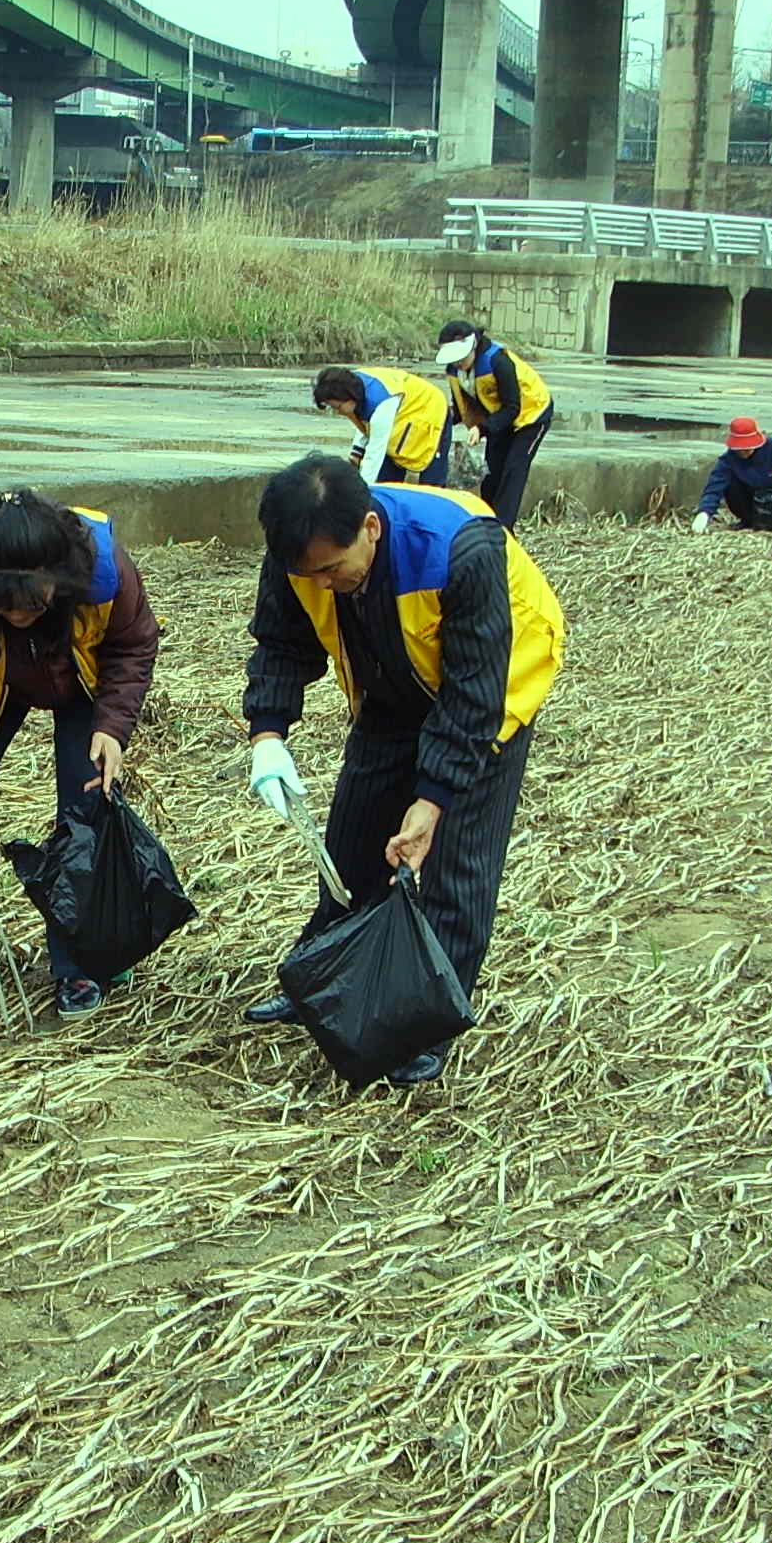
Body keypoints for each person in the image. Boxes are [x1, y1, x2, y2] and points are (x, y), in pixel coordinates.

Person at [243, 460, 564, 1086]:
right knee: (354, 840)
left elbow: (474, 691)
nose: (325, 584)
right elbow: (282, 644)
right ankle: (327, 983)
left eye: (334, 568)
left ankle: (424, 1021)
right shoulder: (299, 552)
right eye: (312, 574)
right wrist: (268, 736)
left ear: (371, 528)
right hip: (390, 686)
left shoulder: (459, 548)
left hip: (491, 690)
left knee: (452, 862)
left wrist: (433, 797)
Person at [0, 490, 158, 1020]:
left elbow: (134, 645)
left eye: (32, 602)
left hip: (80, 682)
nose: (19, 614)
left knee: (88, 797)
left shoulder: (103, 570)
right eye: (4, 605)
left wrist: (113, 726)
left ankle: (85, 961)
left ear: (59, 577)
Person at [433, 319, 555, 521]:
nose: (458, 363)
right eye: (454, 360)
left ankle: (503, 531)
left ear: (472, 346)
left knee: (513, 472)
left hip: (531, 416)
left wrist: (482, 428)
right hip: (499, 418)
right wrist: (439, 419)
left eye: (461, 358)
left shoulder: (498, 362)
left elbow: (512, 407)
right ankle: (487, 522)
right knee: (491, 474)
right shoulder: (454, 370)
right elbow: (462, 407)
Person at [312, 365, 452, 486]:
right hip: (400, 408)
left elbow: (374, 452)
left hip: (431, 409)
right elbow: (364, 420)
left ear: (349, 397)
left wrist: (362, 493)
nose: (337, 412)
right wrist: (357, 450)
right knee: (385, 480)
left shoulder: (381, 406)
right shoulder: (352, 385)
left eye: (337, 407)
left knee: (431, 482)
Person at [693, 418, 772, 532]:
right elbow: (714, 487)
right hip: (747, 504)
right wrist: (704, 513)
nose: (746, 451)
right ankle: (749, 520)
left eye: (750, 447)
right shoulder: (728, 460)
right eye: (742, 448)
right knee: (728, 482)